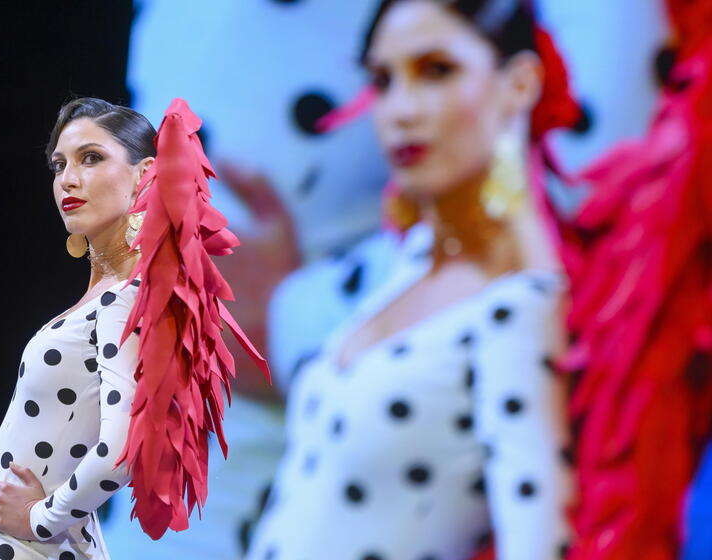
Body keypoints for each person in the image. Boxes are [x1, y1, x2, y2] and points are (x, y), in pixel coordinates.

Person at [246, 1, 577, 559]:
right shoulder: (413, 260)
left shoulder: (523, 304)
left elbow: (538, 537)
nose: (399, 110)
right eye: (382, 81)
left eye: (436, 70)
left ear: (519, 84)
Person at [0, 97, 266, 559]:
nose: (67, 178)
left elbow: (122, 448)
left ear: (146, 173)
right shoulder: (109, 293)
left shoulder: (126, 297)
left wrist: (38, 518)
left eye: (91, 158)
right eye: (58, 164)